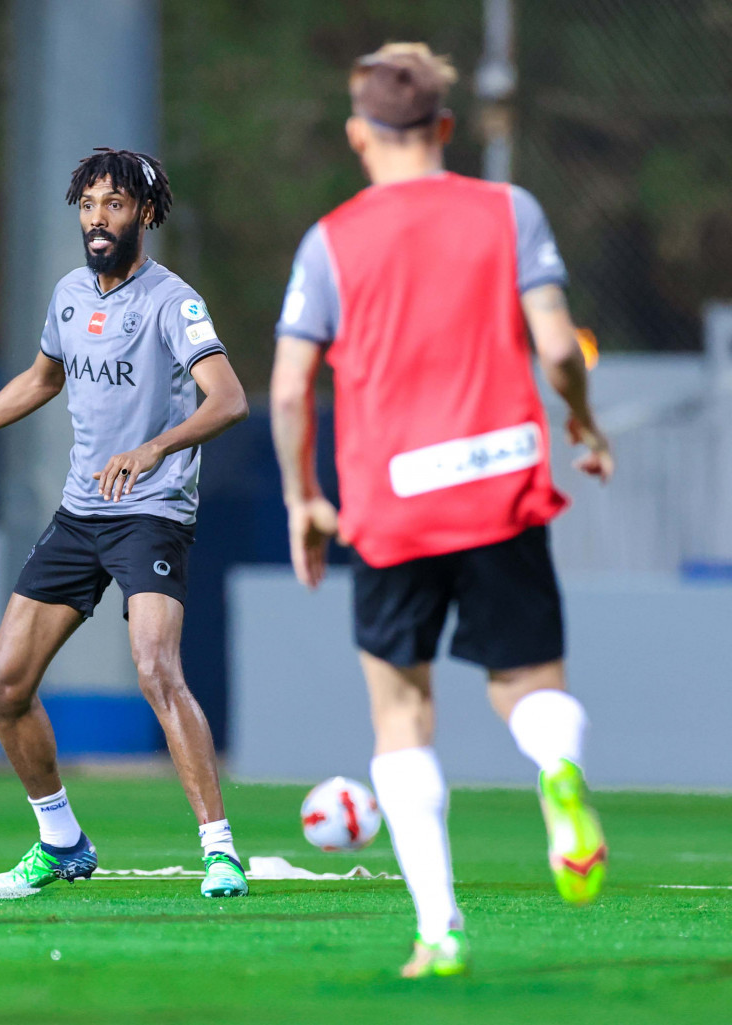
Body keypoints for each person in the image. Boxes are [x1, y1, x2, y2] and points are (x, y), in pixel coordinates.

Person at [270, 44, 614, 977]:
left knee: (403, 712)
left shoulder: (331, 239)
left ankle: (441, 929)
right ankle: (558, 772)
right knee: (531, 681)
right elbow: (556, 350)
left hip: (393, 501)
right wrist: (582, 423)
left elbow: (293, 390)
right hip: (502, 481)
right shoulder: (512, 212)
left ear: (357, 135)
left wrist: (306, 495)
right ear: (447, 129)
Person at [0, 148, 250, 897]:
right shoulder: (69, 293)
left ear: (148, 215)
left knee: (156, 668)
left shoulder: (174, 301)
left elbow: (227, 400)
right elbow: (42, 377)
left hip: (151, 513)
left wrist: (155, 447)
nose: (99, 218)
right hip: (81, 511)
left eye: (117, 204)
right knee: (4, 684)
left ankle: (220, 848)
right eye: (89, 204)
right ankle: (62, 840)